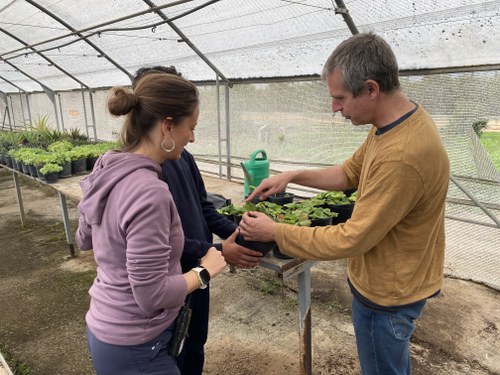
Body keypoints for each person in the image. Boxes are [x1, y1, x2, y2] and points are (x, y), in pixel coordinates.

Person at [239, 32, 450, 375]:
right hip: (390, 282)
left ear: (371, 88)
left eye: (340, 98)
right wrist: (292, 175)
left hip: (388, 297)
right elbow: (349, 172)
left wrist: (277, 231)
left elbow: (352, 237)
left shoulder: (403, 154)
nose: (334, 108)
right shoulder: (391, 125)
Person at [76, 72, 227, 375]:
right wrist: (205, 271)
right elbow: (152, 295)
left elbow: (84, 238)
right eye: (191, 127)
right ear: (167, 127)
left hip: (105, 326)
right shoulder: (149, 191)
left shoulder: (107, 167)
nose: (193, 137)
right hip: (137, 344)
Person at [132, 66, 263, 375]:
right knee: (173, 349)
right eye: (188, 125)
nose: (192, 137)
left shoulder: (182, 158)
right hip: (172, 279)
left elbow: (204, 208)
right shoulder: (143, 177)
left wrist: (241, 232)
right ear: (163, 121)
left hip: (200, 270)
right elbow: (163, 243)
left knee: (195, 343)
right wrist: (216, 251)